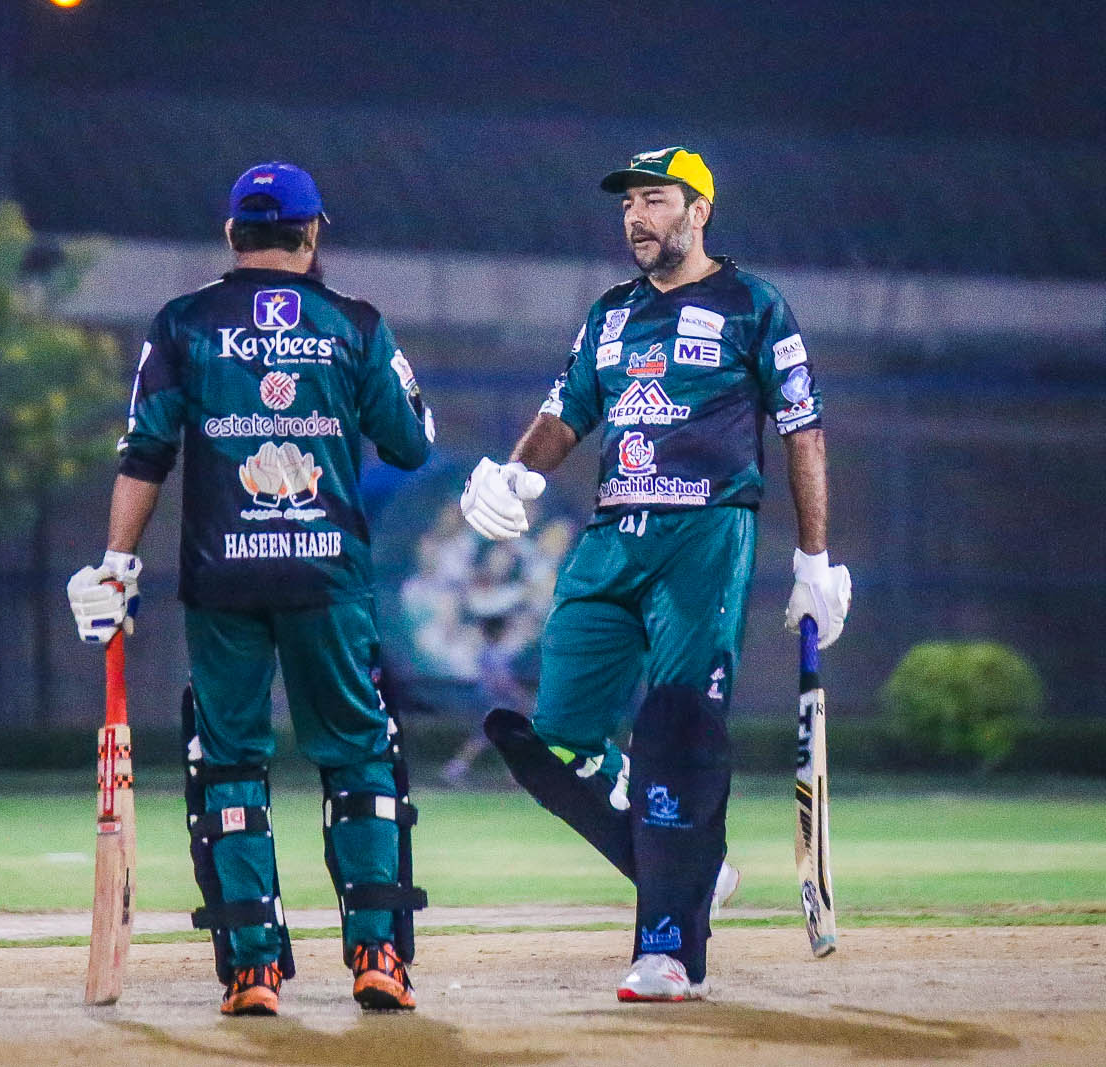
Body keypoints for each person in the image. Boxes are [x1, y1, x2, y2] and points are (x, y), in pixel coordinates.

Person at [459, 147, 852, 1002]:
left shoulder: (754, 305)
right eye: (628, 204)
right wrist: (517, 473)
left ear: (699, 210)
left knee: (677, 733)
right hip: (611, 537)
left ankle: (669, 950)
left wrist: (814, 558)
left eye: (655, 200)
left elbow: (804, 430)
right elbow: (567, 408)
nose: (636, 217)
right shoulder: (610, 313)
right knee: (555, 737)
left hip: (704, 535)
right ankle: (692, 864)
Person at [67, 161, 434, 1016]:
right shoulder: (354, 322)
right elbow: (413, 443)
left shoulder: (184, 323)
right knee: (359, 756)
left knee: (228, 761)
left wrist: (117, 562)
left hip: (223, 575)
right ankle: (379, 954)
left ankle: (252, 970)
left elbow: (145, 453)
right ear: (314, 233)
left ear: (232, 234)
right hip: (327, 574)